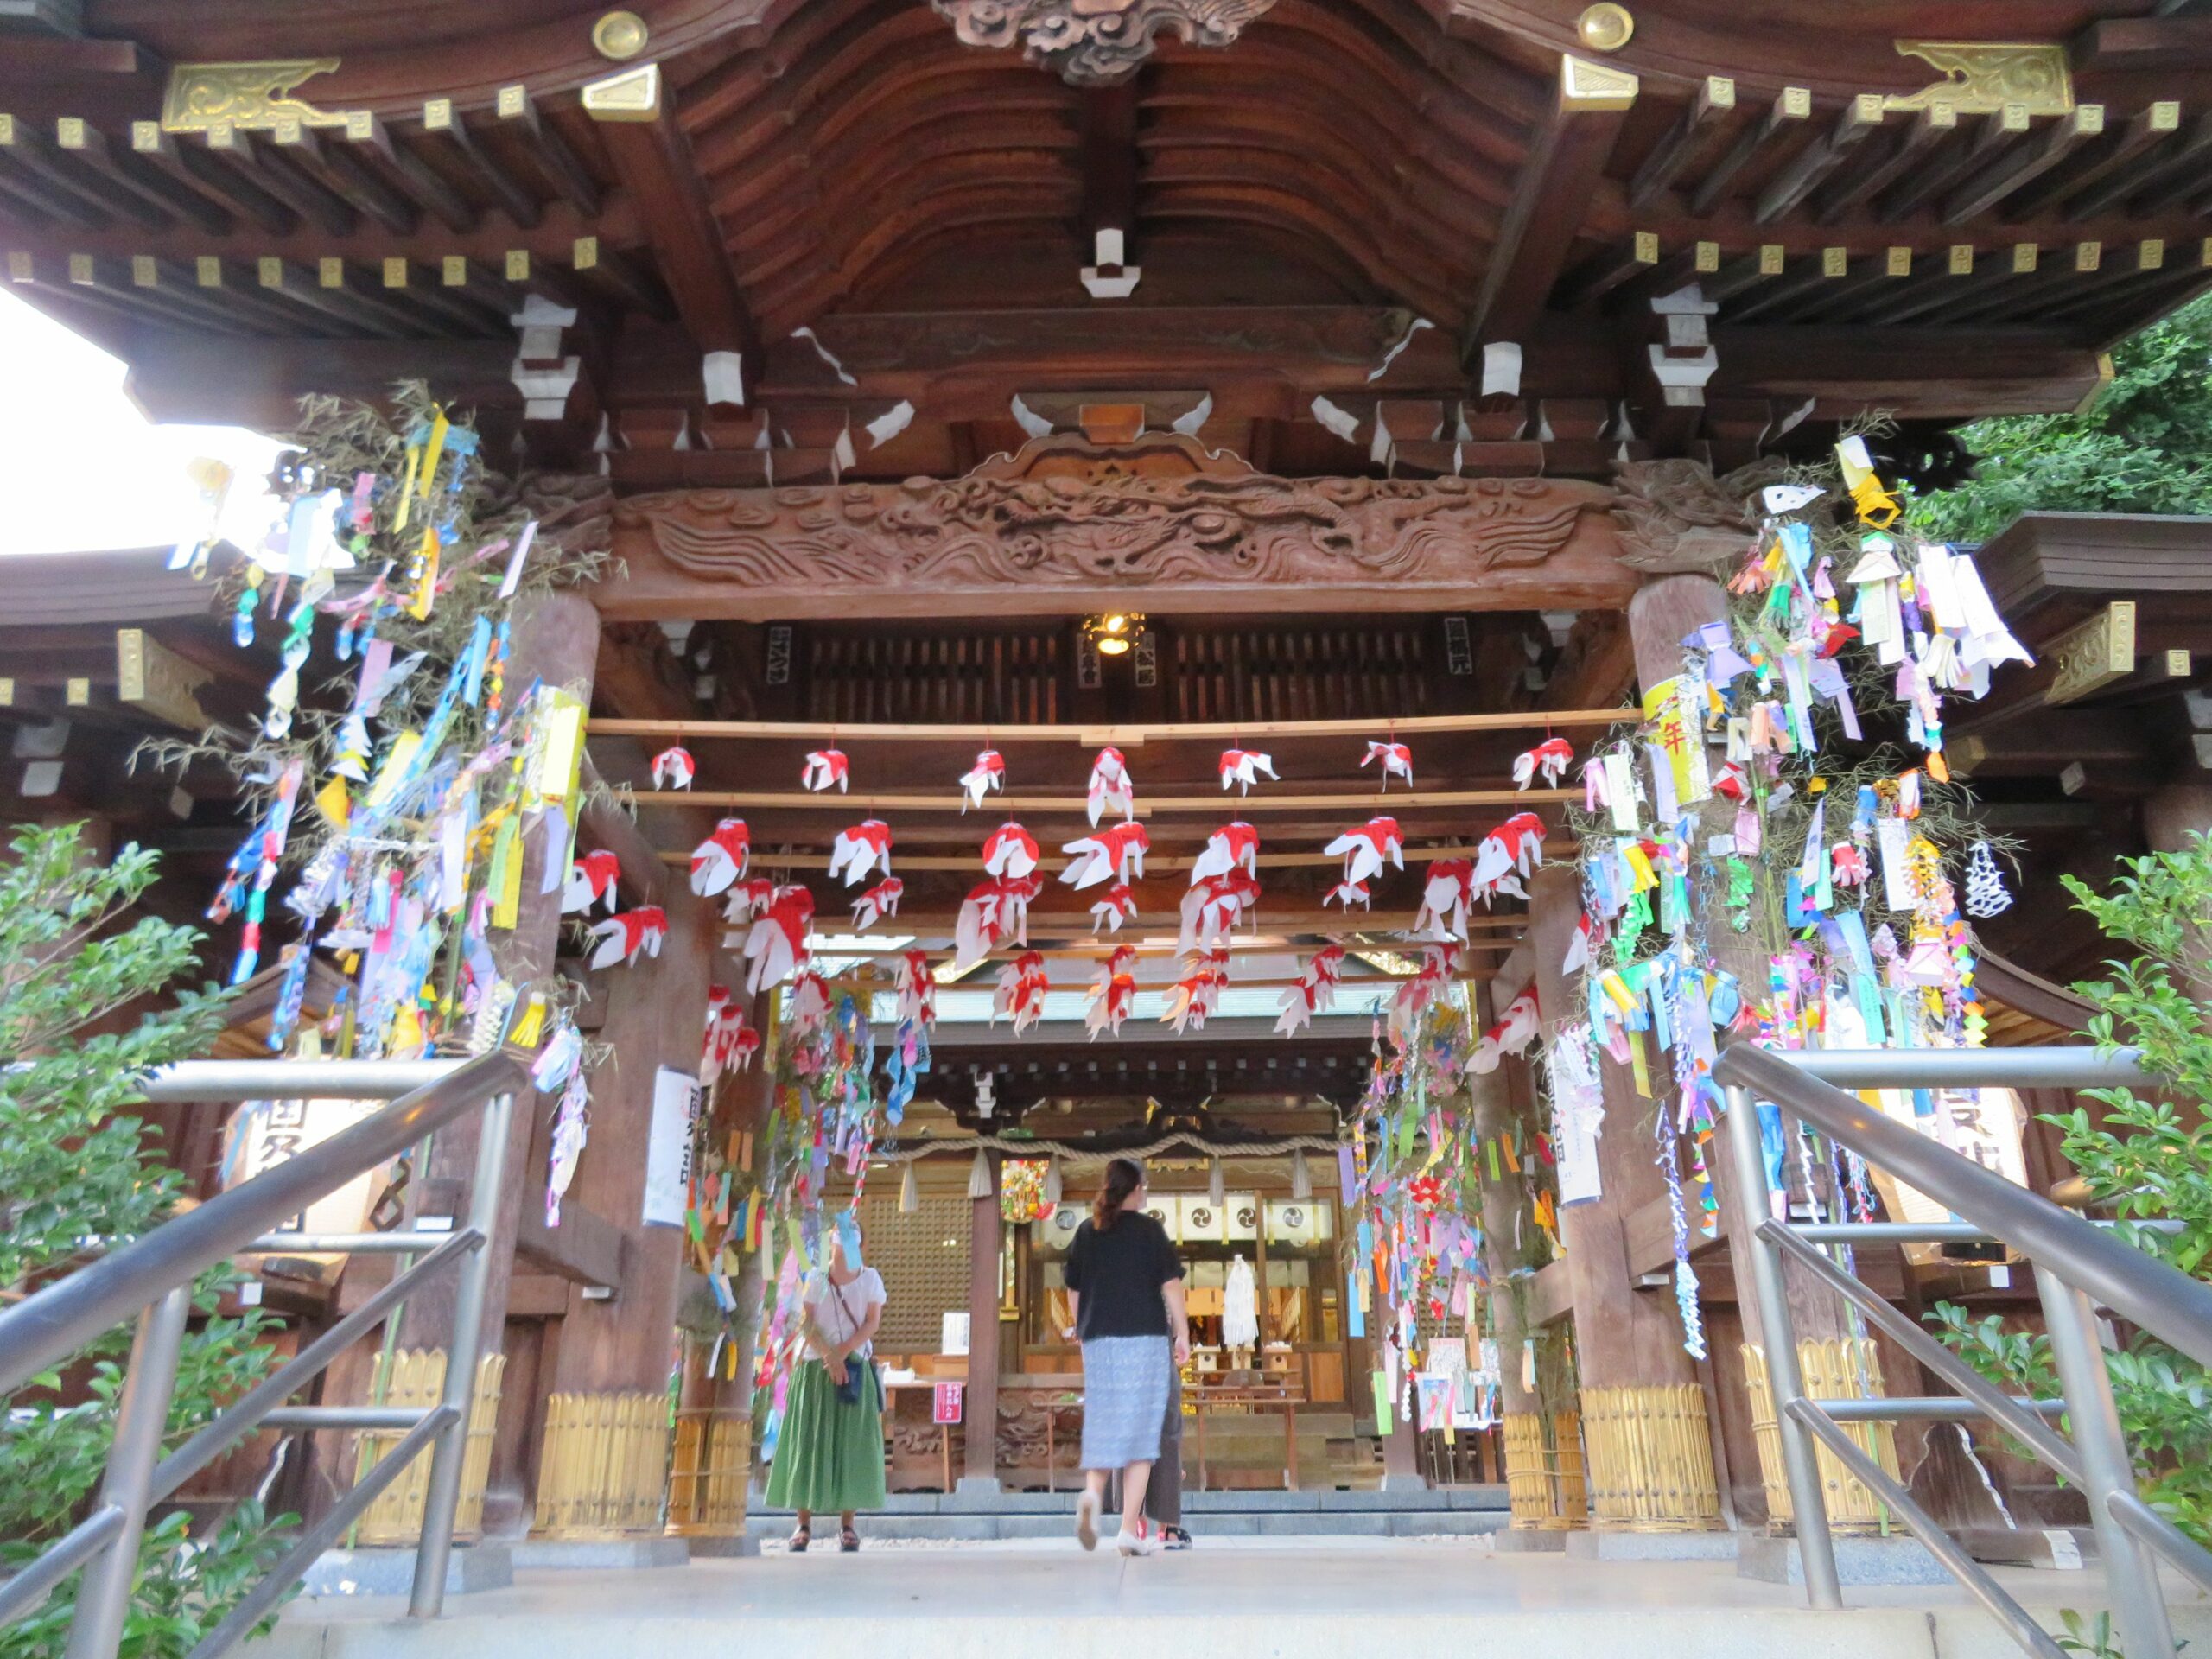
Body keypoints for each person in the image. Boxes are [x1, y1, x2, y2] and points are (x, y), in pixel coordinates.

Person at [1063, 1157, 1190, 1557]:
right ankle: (1127, 1531)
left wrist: (1080, 1327)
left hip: (1099, 1340)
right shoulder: (1151, 1230)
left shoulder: (1087, 1231)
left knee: (1105, 1423)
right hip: (1146, 1339)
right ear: (1136, 1190)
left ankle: (1091, 1493)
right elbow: (1171, 1286)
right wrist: (1182, 1333)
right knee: (1141, 1435)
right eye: (1145, 1187)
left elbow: (1073, 1288)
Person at [764, 1222, 887, 1553]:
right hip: (816, 1368)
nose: (845, 1249)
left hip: (855, 1368)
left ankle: (848, 1525)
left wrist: (842, 1354)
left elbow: (872, 1322)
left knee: (851, 1444)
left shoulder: (870, 1279)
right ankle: (802, 1524)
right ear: (830, 1245)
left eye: (851, 1242)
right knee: (807, 1441)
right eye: (839, 1242)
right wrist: (829, 1357)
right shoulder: (817, 1278)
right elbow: (808, 1322)